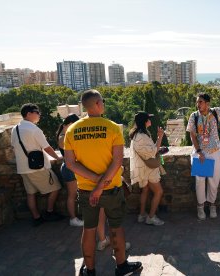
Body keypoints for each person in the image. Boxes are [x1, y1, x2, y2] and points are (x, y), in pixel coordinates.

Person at [64, 90, 142, 276]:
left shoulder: (72, 130)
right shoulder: (113, 127)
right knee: (116, 227)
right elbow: (117, 162)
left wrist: (94, 183)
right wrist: (101, 186)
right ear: (98, 104)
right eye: (103, 101)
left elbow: (70, 163)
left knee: (89, 230)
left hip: (86, 191)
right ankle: (121, 266)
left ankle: (89, 271)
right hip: (111, 189)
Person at [11, 103, 63, 227]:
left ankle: (36, 217)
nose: (39, 114)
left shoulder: (15, 129)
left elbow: (13, 147)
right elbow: (47, 148)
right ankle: (49, 212)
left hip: (23, 168)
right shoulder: (34, 129)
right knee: (56, 187)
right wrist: (58, 157)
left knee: (31, 193)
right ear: (29, 114)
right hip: (37, 168)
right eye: (37, 112)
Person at [129, 112, 165, 226]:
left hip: (141, 167)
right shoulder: (142, 136)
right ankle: (151, 217)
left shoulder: (136, 134)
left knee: (145, 190)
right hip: (148, 168)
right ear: (145, 121)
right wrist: (160, 137)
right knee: (159, 192)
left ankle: (141, 215)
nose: (150, 120)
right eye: (149, 119)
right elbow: (153, 152)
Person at [56, 113, 84, 227]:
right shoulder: (63, 137)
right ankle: (73, 218)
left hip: (73, 167)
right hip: (69, 168)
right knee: (72, 195)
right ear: (66, 124)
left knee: (79, 193)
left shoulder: (67, 134)